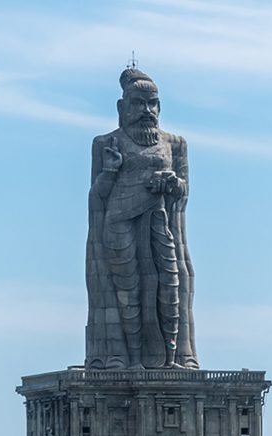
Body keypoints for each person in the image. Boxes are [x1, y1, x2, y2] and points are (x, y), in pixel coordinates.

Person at [85, 67, 199, 370]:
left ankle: (171, 359)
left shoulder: (175, 144)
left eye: (153, 103)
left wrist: (173, 183)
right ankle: (130, 359)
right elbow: (98, 196)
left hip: (161, 223)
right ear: (123, 107)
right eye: (138, 103)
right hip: (120, 224)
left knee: (171, 286)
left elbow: (184, 190)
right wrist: (111, 170)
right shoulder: (106, 143)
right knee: (127, 293)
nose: (147, 111)